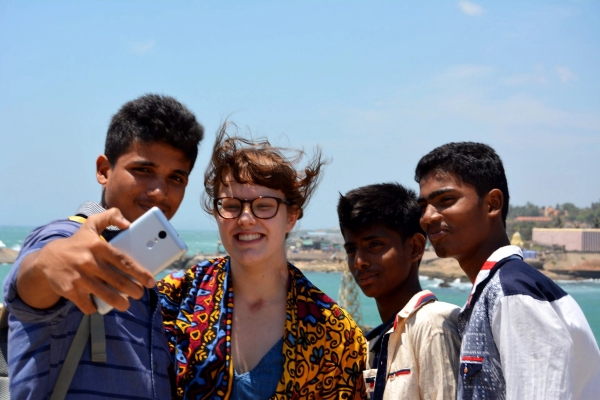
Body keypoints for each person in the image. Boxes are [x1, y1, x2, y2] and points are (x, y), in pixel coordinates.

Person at [4, 94, 204, 399]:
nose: (159, 192)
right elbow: (35, 275)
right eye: (143, 170)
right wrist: (48, 264)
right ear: (104, 170)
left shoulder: (139, 269)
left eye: (176, 177)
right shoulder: (67, 237)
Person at [157, 123, 367, 400]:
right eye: (232, 206)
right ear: (217, 214)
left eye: (264, 206)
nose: (245, 219)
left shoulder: (335, 332)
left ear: (291, 217)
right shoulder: (175, 297)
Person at [415, 142, 600, 400]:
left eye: (446, 200)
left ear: (492, 204)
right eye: (423, 206)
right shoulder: (496, 290)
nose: (427, 217)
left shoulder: (514, 294)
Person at [337, 183, 461, 400]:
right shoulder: (374, 342)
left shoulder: (432, 325)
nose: (359, 261)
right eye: (351, 249)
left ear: (415, 248)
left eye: (374, 244)